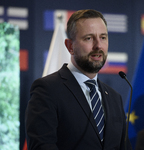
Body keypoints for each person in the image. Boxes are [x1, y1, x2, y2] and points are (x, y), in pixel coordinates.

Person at [25, 9, 132, 150]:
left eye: (103, 38)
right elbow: (42, 146)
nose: (98, 46)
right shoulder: (47, 89)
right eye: (88, 38)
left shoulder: (114, 97)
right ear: (70, 46)